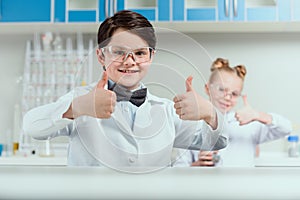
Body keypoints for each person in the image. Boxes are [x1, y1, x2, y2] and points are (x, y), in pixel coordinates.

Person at [23, 10, 227, 169]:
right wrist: (75, 108)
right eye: (119, 52)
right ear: (101, 56)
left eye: (139, 53)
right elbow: (31, 126)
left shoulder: (165, 109)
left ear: (151, 56)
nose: (130, 62)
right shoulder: (81, 99)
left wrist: (209, 113)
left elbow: (218, 142)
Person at [174, 58, 292, 167]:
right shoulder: (190, 125)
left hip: (242, 188)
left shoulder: (248, 125)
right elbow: (178, 170)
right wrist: (197, 166)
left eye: (234, 94)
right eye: (222, 90)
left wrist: (257, 115)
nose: (228, 97)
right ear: (207, 88)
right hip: (204, 188)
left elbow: (286, 128)